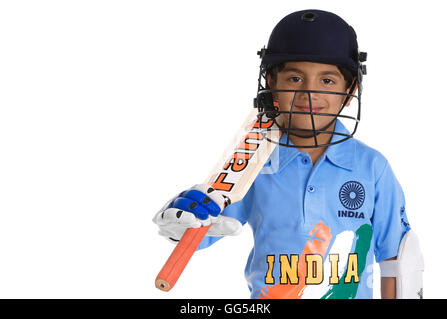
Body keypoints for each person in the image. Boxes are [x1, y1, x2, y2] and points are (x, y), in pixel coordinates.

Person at [153, 9, 424, 299]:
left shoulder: (372, 168)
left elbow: (397, 259)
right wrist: (185, 222)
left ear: (350, 89)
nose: (310, 92)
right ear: (272, 83)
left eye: (327, 81)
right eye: (295, 78)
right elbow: (206, 228)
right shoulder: (252, 161)